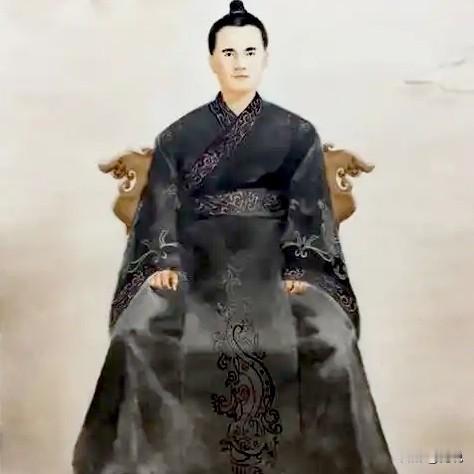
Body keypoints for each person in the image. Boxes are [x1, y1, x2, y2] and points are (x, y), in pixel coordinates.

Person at [72, 2, 398, 473]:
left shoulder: (297, 133)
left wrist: (301, 264)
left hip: (274, 258)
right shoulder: (178, 136)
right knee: (137, 333)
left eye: (250, 51)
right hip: (195, 258)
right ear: (212, 60)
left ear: (265, 57)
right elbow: (161, 202)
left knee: (330, 339)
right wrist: (163, 259)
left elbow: (309, 204)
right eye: (228, 52)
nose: (240, 62)